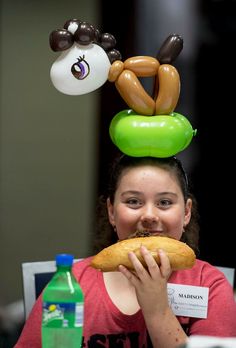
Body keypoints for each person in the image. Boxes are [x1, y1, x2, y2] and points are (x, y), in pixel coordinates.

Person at [14, 154, 236, 348]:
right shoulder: (72, 284)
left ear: (186, 213)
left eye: (165, 202)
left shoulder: (209, 285)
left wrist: (157, 311)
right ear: (112, 212)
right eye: (133, 201)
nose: (149, 215)